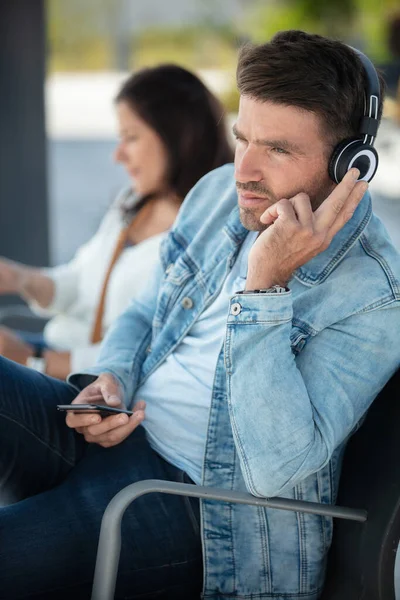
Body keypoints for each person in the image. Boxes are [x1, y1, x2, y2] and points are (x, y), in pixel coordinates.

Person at [0, 30, 400, 600]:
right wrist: (110, 378)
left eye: (278, 150)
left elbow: (275, 470)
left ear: (351, 165)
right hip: (122, 431)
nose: (244, 171)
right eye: (243, 139)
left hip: (199, 512)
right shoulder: (219, 194)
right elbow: (147, 309)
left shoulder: (375, 294)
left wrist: (266, 286)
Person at [0, 64, 233, 380]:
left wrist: (33, 360)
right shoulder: (135, 202)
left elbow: (154, 349)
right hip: (55, 349)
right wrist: (18, 278)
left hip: (87, 380)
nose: (118, 155)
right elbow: (80, 282)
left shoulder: (208, 237)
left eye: (131, 137)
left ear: (178, 137)